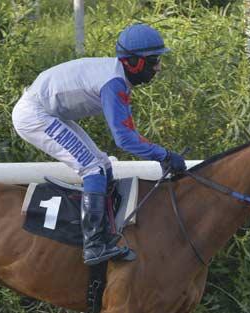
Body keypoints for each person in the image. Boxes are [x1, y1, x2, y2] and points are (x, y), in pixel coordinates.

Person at [12, 23, 186, 266]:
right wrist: (164, 155)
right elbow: (124, 139)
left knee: (103, 163)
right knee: (93, 168)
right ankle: (94, 245)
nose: (158, 67)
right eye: (153, 60)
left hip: (47, 111)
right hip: (35, 115)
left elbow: (127, 133)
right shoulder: (113, 84)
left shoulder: (118, 77)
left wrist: (162, 154)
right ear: (133, 62)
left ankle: (106, 230)